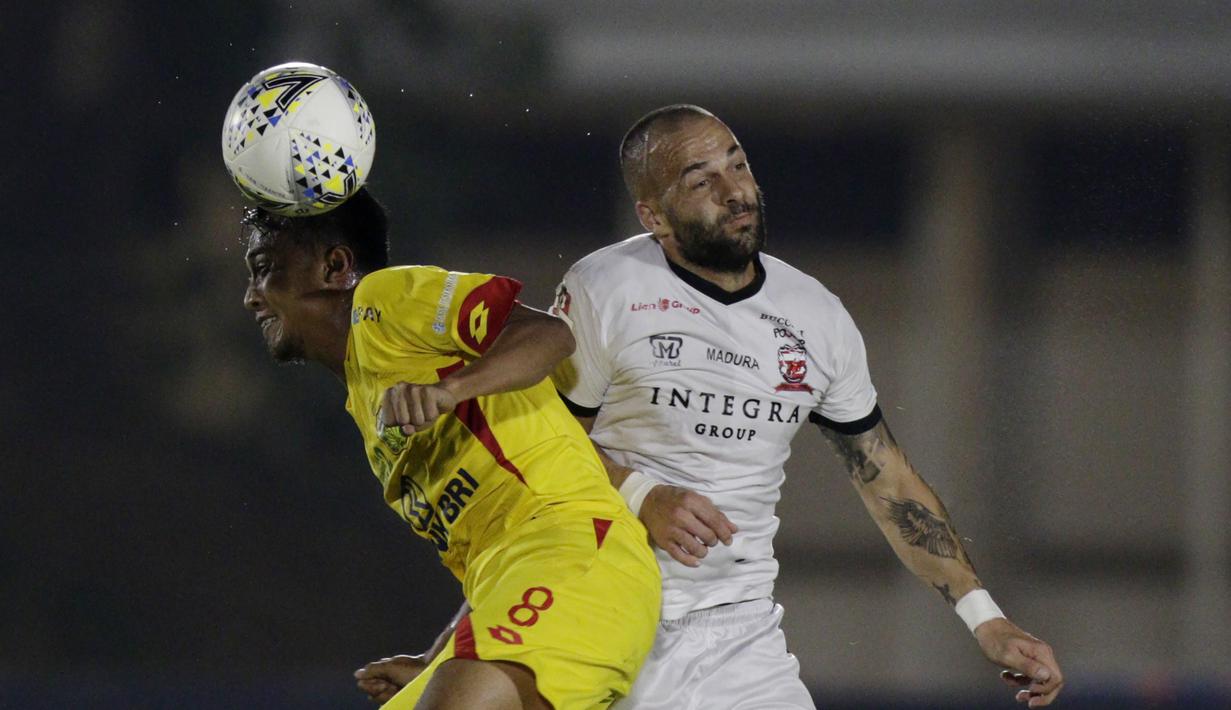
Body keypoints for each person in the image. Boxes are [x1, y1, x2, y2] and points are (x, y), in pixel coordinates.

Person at [545, 105, 1064, 709]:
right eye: (700, 179)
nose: (734, 190)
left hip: (738, 638)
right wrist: (642, 496)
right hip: (601, 610)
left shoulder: (815, 316)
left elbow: (888, 481)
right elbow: (541, 445)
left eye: (737, 165)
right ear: (653, 216)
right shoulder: (606, 287)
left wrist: (986, 618)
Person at [238, 188, 660, 709]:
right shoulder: (365, 396)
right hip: (522, 585)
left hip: (577, 556)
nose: (252, 296)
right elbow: (490, 550)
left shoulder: (381, 301)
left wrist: (452, 388)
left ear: (336, 265)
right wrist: (438, 657)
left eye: (263, 268)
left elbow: (548, 334)